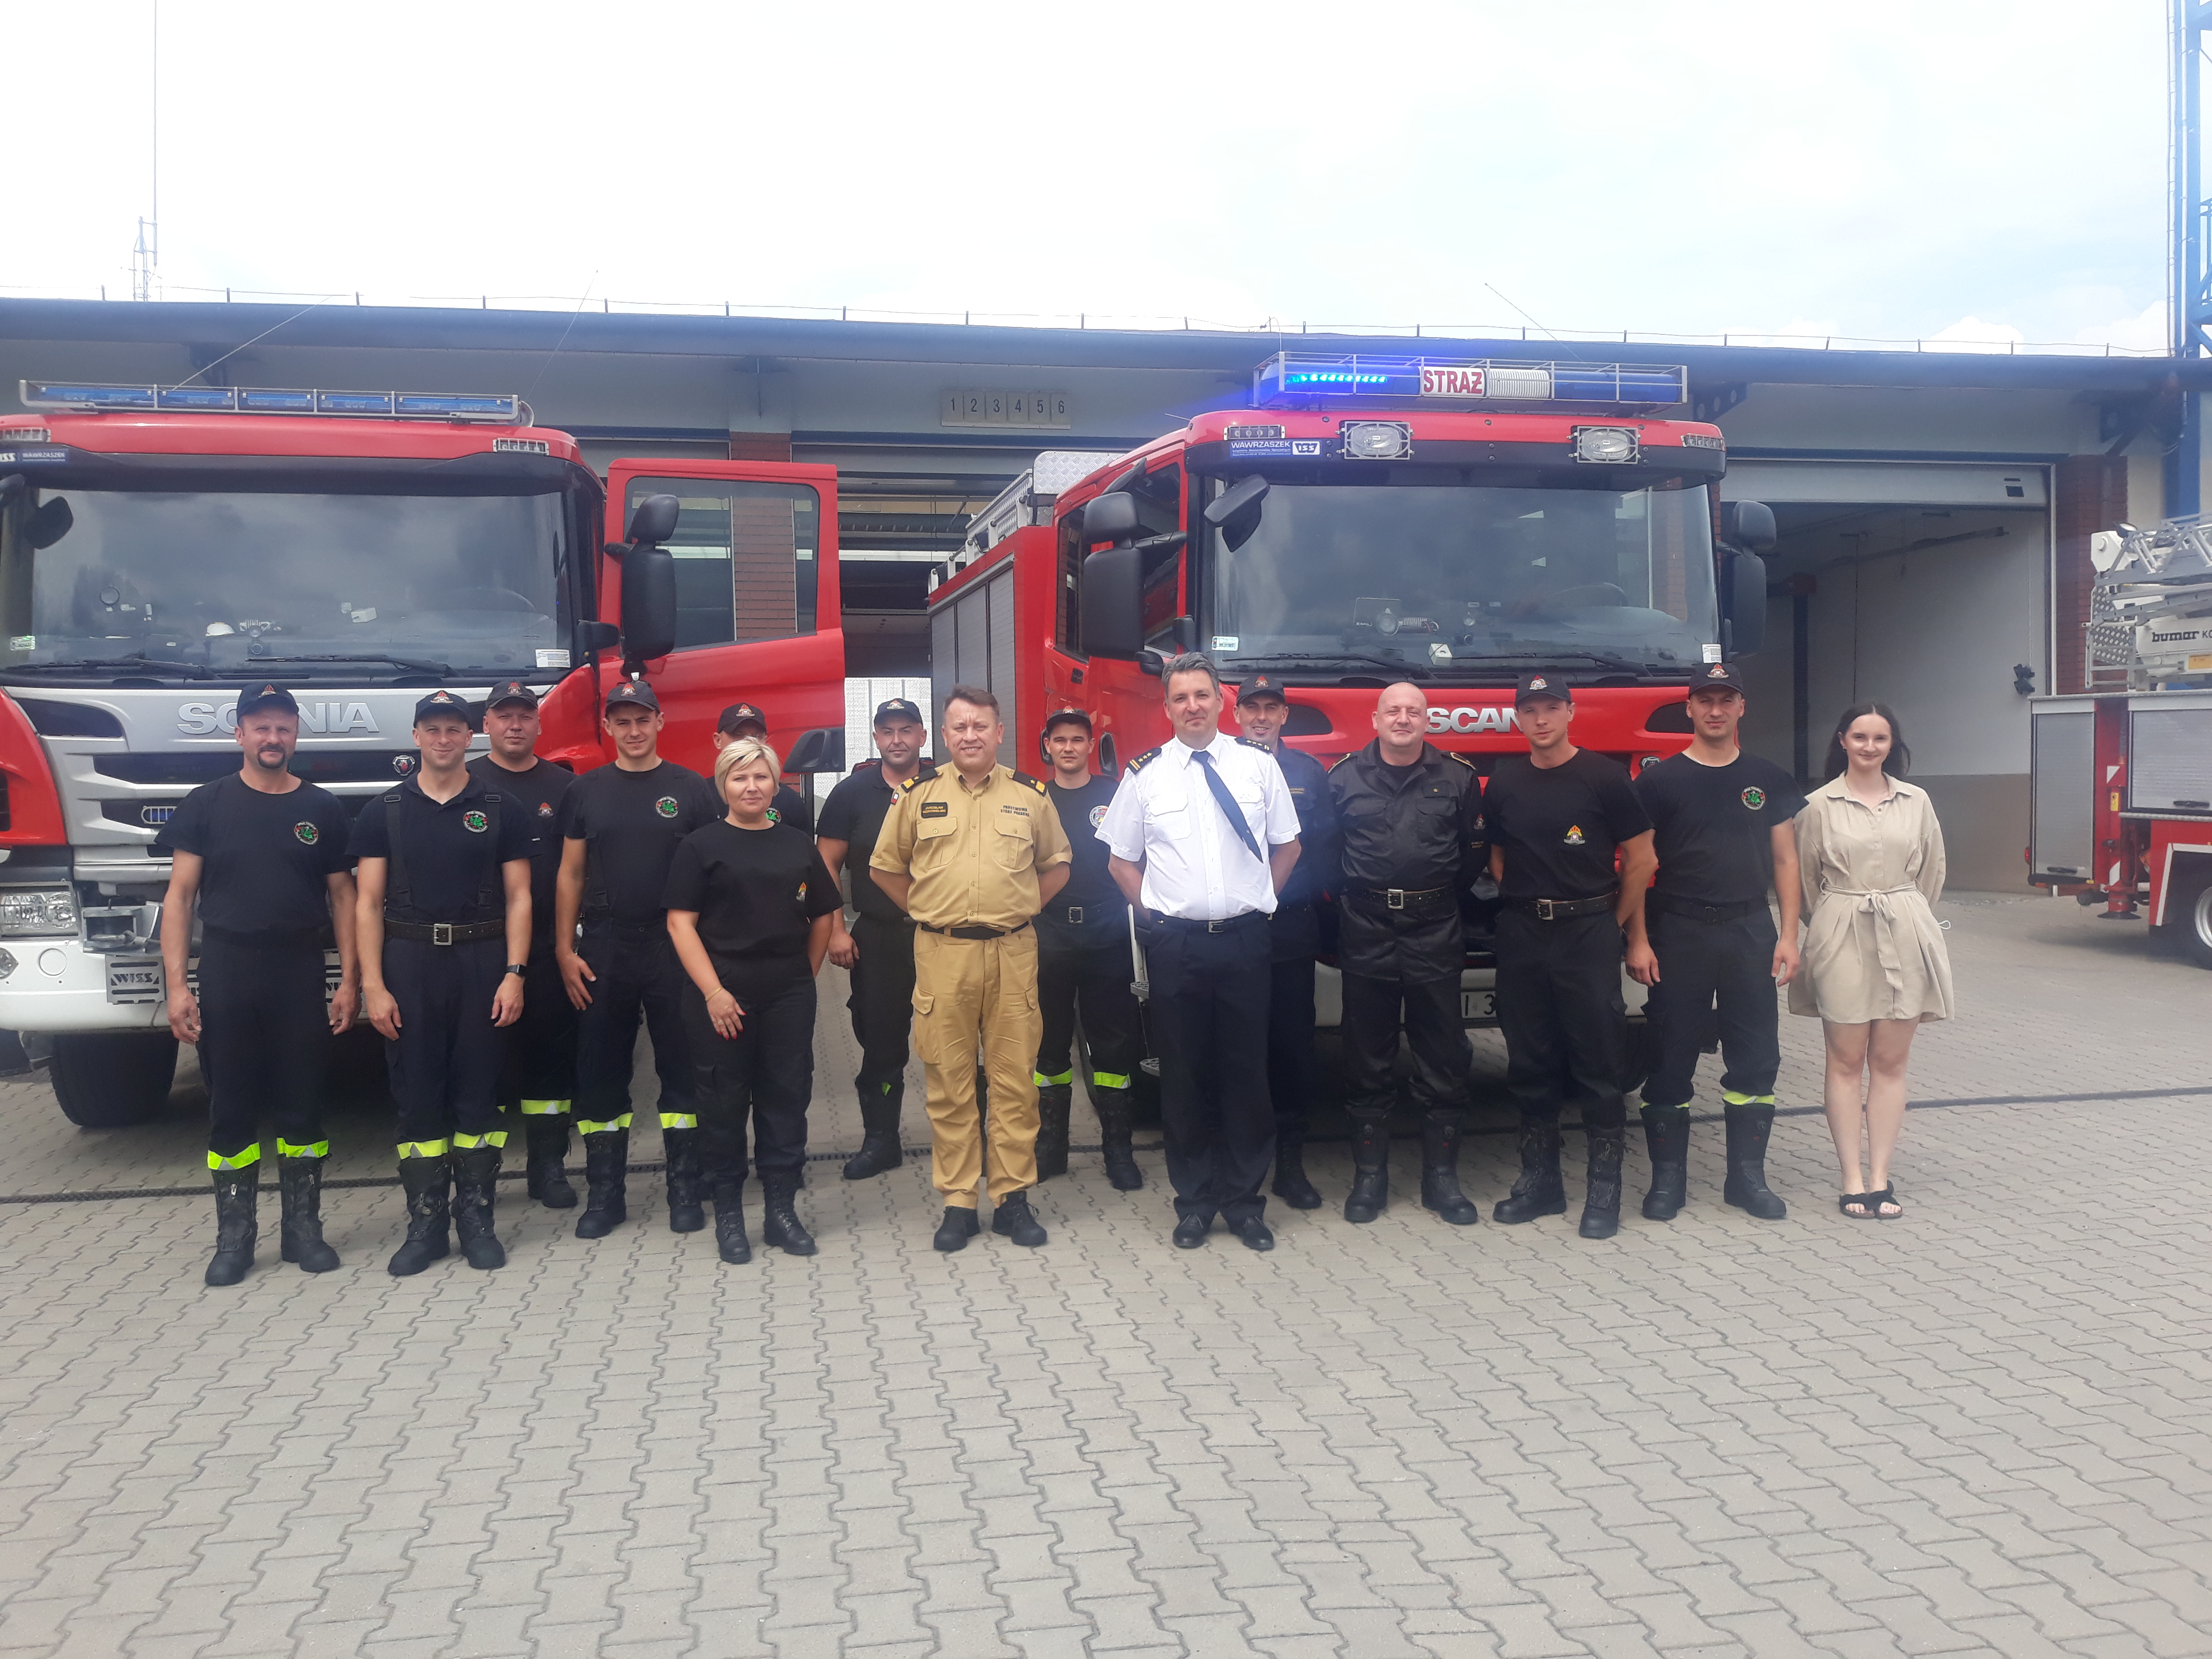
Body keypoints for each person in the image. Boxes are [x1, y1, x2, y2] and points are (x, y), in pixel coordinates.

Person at [158, 683, 359, 1286]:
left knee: (303, 1103)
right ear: (240, 734)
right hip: (229, 966)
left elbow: (344, 898)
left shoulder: (322, 808)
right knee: (231, 1107)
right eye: (261, 727)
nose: (273, 738)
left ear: (296, 734)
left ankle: (304, 1230)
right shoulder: (207, 804)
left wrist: (350, 980)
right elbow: (180, 898)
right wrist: (177, 986)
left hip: (298, 968)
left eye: (283, 728)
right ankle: (235, 1239)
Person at [1102, 654, 1302, 1252]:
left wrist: (1262, 900)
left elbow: (1288, 847)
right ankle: (1193, 1203)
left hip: (1245, 941)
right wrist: (1157, 918)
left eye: (1202, 695)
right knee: (1184, 1076)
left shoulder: (1258, 766)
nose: (1192, 706)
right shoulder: (1145, 775)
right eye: (1181, 697)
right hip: (1178, 946)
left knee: (1246, 1074)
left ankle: (1244, 1204)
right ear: (1166, 708)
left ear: (1220, 702)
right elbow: (1120, 861)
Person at [870, 686, 1071, 1252]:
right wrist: (926, 912)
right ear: (944, 735)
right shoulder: (917, 795)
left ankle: (1012, 1199)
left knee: (1014, 1082)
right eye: (959, 727)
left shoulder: (1030, 796)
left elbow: (1058, 865)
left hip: (1013, 953)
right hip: (943, 954)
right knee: (949, 1081)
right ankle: (959, 1202)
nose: (970, 736)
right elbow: (885, 868)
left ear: (999, 733)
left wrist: (1022, 908)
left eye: (981, 726)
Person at [352, 689, 534, 1275]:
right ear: (416, 737)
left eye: (454, 729)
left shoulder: (502, 808)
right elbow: (367, 903)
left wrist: (515, 973)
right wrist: (373, 985)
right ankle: (426, 1225)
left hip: (482, 959)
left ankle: (477, 1221)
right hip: (409, 962)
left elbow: (520, 897)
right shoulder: (384, 811)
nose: (443, 739)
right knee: (417, 1096)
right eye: (432, 729)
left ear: (469, 736)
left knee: (478, 1093)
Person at [1483, 672, 1656, 1240]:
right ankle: (1541, 1183)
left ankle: (1605, 1191)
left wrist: (1613, 923)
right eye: (1530, 710)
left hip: (1588, 932)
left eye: (1551, 708)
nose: (1541, 719)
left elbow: (1642, 860)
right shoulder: (1505, 781)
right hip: (1524, 934)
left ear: (1571, 712)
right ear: (1517, 718)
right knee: (1529, 1060)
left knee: (1598, 1062)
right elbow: (1498, 858)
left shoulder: (1605, 777)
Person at [1628, 662, 1804, 1222]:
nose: (1715, 710)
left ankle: (1747, 1180)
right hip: (1678, 930)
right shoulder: (1658, 782)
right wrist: (1638, 939)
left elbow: (1786, 861)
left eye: (1726, 700)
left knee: (1756, 1057)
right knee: (1670, 1054)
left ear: (1742, 707)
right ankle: (1668, 1183)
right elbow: (1638, 865)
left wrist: (1790, 936)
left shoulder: (1768, 778)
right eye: (1705, 700)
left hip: (1749, 929)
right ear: (1689, 708)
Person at [666, 735, 843, 1264]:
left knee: (785, 1099)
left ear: (775, 784)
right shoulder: (699, 846)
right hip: (721, 993)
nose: (751, 786)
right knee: (722, 1104)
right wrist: (714, 992)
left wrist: (803, 978)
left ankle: (781, 1213)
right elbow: (680, 924)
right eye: (739, 776)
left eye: (761, 776)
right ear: (723, 784)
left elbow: (823, 916)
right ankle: (729, 1215)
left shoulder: (797, 844)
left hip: (787, 991)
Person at [556, 680, 723, 1239]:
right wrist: (564, 949)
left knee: (683, 1067)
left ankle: (684, 1188)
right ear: (608, 727)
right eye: (622, 722)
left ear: (659, 722)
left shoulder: (691, 789)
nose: (633, 731)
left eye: (642, 720)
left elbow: (712, 872)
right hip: (605, 946)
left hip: (671, 944)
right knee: (600, 1070)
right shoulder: (585, 791)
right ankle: (605, 1195)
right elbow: (570, 874)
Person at [1326, 683, 1488, 1226]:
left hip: (1434, 927)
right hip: (1366, 927)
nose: (1402, 719)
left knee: (1443, 1056)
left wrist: (1431, 896)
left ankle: (1441, 1179)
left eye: (1413, 711)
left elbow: (1472, 854)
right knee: (1366, 1057)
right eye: (1392, 711)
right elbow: (1327, 854)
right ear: (1375, 720)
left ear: (1427, 720)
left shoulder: (1458, 778)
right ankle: (1370, 1178)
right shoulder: (1343, 777)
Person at [1791, 703, 1952, 1221]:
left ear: (1892, 744)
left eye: (1880, 738)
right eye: (1859, 736)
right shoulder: (1817, 805)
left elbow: (1932, 871)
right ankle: (1852, 1179)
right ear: (1842, 740)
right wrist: (1833, 920)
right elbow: (1805, 879)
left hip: (1904, 929)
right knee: (1844, 1061)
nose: (1869, 746)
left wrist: (1908, 913)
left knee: (1889, 1062)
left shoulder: (1917, 801)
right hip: (1841, 931)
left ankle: (1880, 1177)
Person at [468, 679, 579, 1209]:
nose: (515, 725)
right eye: (504, 716)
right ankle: (481, 1175)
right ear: (486, 724)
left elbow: (581, 867)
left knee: (550, 1059)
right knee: (484, 1063)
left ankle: (549, 1167)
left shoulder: (566, 787)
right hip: (481, 948)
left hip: (549, 947)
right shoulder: (465, 784)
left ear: (538, 724)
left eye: (524, 716)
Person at [813, 697, 933, 1178]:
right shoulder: (851, 794)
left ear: (923, 736)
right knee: (881, 1042)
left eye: (906, 730)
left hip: (942, 937)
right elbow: (826, 865)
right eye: (888, 731)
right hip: (879, 938)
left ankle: (969, 1140)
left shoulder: (946, 786)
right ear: (877, 737)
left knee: (958, 1041)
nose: (897, 739)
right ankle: (881, 1142)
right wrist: (836, 930)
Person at [1234, 674, 1339, 1210]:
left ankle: (1291, 1166)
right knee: (1238, 1047)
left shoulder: (1308, 772)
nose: (1261, 717)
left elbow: (1325, 846)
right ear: (1236, 715)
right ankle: (1240, 1164)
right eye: (1251, 707)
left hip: (1292, 926)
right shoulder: (1218, 766)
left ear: (1283, 716)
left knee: (1293, 1047)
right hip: (1234, 930)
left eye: (1270, 708)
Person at [1030, 707, 1142, 1190]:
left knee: (1114, 1044)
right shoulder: (1032, 799)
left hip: (1106, 932)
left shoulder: (1115, 794)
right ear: (1047, 746)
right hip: (1049, 932)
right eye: (1060, 740)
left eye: (1078, 739)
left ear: (1091, 745)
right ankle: (1051, 1148)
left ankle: (1119, 1152)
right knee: (1048, 1043)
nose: (1069, 747)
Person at [713, 701, 813, 832]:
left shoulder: (789, 800)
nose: (749, 742)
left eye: (756, 736)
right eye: (738, 736)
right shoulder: (702, 794)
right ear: (718, 740)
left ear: (765, 741)